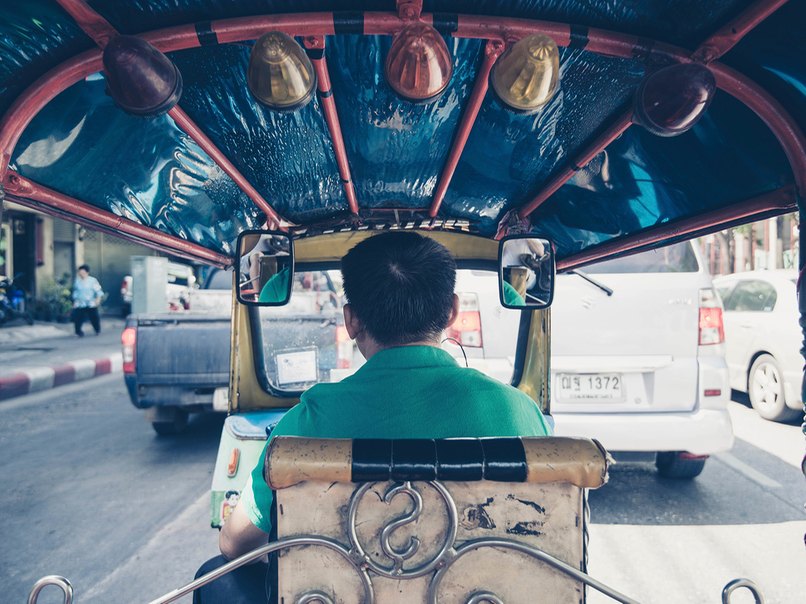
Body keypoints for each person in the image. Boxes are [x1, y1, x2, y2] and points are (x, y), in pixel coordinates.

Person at [194, 232, 552, 603]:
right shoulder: (519, 412)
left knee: (214, 577)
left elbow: (235, 544)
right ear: (451, 312)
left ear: (351, 321)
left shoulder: (307, 424)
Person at [71, 264, 103, 337]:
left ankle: (97, 330)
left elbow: (98, 291)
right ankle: (78, 332)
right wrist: (74, 301)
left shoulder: (92, 281)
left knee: (94, 317)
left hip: (91, 303)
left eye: (83, 272)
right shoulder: (77, 281)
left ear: (87, 272)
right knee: (78, 318)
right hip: (80, 303)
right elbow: (75, 292)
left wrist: (98, 299)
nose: (81, 274)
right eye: (80, 272)